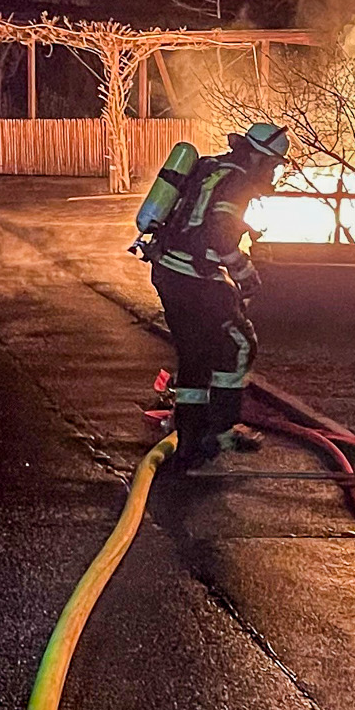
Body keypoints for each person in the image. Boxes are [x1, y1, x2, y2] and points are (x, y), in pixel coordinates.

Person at [148, 122, 290, 467]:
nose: (272, 173)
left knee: (195, 354)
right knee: (240, 345)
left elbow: (198, 214)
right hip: (195, 278)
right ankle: (221, 430)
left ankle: (190, 438)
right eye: (272, 165)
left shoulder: (210, 166)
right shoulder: (238, 181)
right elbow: (220, 231)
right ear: (257, 157)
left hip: (167, 269)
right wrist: (244, 273)